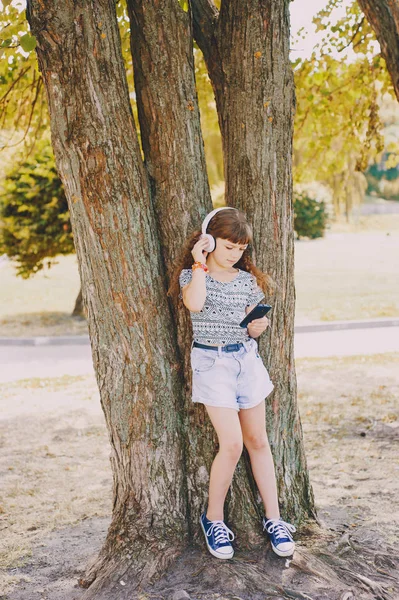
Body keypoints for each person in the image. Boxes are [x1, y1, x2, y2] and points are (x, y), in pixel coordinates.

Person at [168, 206, 296, 560]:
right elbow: (194, 305)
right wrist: (199, 262)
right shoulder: (193, 275)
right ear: (208, 242)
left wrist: (258, 327)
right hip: (212, 363)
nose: (236, 254)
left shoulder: (246, 281)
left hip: (246, 360)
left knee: (258, 440)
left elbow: (253, 321)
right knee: (232, 444)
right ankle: (214, 520)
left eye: (241, 249)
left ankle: (275, 519)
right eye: (228, 247)